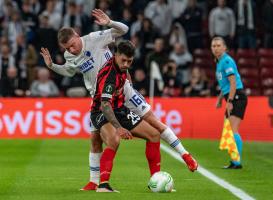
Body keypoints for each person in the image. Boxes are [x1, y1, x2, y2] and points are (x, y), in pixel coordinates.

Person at [40, 9, 198, 191]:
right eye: (67, 48)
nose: (71, 50)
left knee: (154, 124)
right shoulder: (70, 56)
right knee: (96, 140)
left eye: (72, 45)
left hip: (124, 90)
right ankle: (95, 182)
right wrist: (52, 66)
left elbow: (123, 30)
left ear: (77, 35)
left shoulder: (95, 38)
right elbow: (68, 70)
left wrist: (109, 22)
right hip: (99, 97)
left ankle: (179, 160)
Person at [90, 41, 161, 192]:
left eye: (130, 61)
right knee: (114, 139)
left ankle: (156, 180)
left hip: (119, 109)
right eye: (123, 60)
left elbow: (125, 79)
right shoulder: (110, 75)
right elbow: (105, 105)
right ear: (115, 56)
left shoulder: (122, 67)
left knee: (154, 134)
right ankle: (103, 185)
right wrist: (119, 128)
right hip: (101, 112)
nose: (126, 64)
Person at [211, 37, 247, 169]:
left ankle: (237, 162)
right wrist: (221, 99)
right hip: (232, 96)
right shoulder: (219, 62)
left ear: (224, 47)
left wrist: (230, 101)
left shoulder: (226, 61)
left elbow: (233, 83)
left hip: (237, 96)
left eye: (218, 45)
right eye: (213, 46)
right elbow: (225, 84)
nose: (216, 48)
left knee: (233, 129)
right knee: (229, 130)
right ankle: (234, 160)